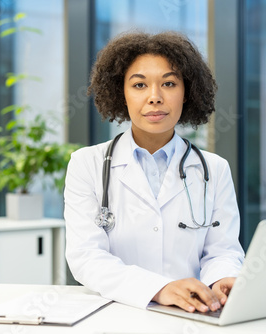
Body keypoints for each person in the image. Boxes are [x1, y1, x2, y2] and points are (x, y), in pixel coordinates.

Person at [64, 31, 244, 314]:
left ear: (187, 93)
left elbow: (223, 251)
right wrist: (158, 289)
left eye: (169, 83)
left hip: (193, 314)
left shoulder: (215, 168)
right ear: (120, 93)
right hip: (118, 314)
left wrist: (223, 279)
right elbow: (86, 256)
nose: (155, 97)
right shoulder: (87, 164)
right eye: (139, 85)